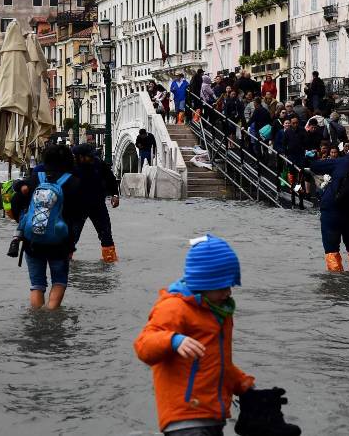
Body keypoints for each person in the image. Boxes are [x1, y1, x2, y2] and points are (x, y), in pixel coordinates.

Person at [133, 235, 256, 435]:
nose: (228, 293)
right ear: (203, 282)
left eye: (231, 286)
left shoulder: (218, 312)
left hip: (212, 413)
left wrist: (244, 385)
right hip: (185, 415)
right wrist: (173, 340)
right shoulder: (174, 307)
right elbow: (143, 345)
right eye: (222, 287)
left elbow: (215, 364)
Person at [10, 145, 86, 310]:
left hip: (32, 240)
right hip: (60, 242)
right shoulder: (74, 182)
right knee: (59, 281)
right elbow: (76, 218)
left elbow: (16, 203)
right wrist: (71, 245)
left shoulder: (36, 177)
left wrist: (23, 223)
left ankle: (38, 320)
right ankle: (51, 317)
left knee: (37, 284)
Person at [311, 146, 349, 271]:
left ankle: (336, 281)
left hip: (332, 211)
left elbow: (315, 166)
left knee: (331, 249)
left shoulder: (342, 162)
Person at [72, 144, 120, 263]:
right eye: (89, 156)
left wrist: (115, 195)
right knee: (71, 237)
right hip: (77, 207)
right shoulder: (70, 168)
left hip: (97, 205)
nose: (92, 158)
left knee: (106, 234)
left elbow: (111, 180)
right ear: (80, 157)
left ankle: (109, 262)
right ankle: (66, 263)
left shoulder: (99, 164)